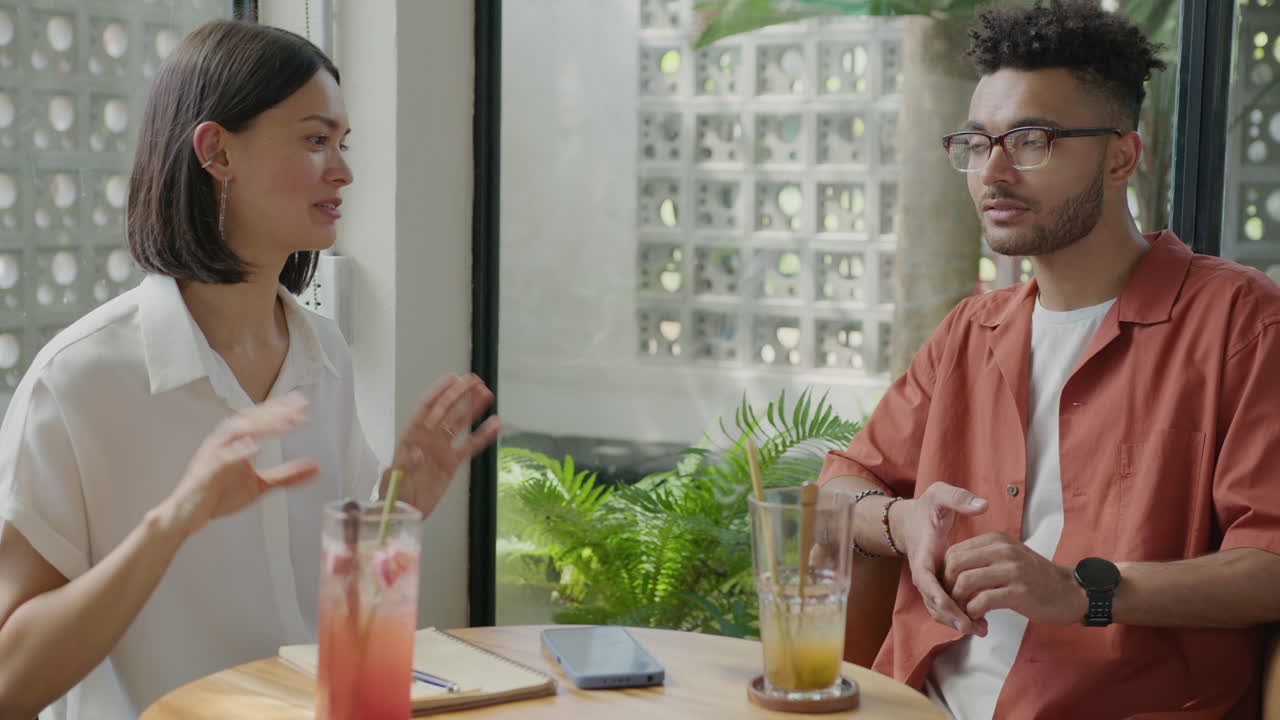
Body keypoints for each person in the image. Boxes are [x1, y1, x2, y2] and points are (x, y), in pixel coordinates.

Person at [0, 20, 500, 720]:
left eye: (342, 143)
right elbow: (10, 682)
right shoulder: (79, 382)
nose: (344, 169)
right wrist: (172, 521)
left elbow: (335, 622)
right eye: (315, 139)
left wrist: (395, 506)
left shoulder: (324, 356)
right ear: (217, 151)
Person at [819, 1, 1280, 718]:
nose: (993, 171)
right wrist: (899, 521)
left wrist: (1085, 590)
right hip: (917, 701)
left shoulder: (1242, 324)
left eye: (1032, 139)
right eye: (977, 143)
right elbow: (843, 483)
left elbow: (1272, 564)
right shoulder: (972, 330)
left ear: (1123, 155)